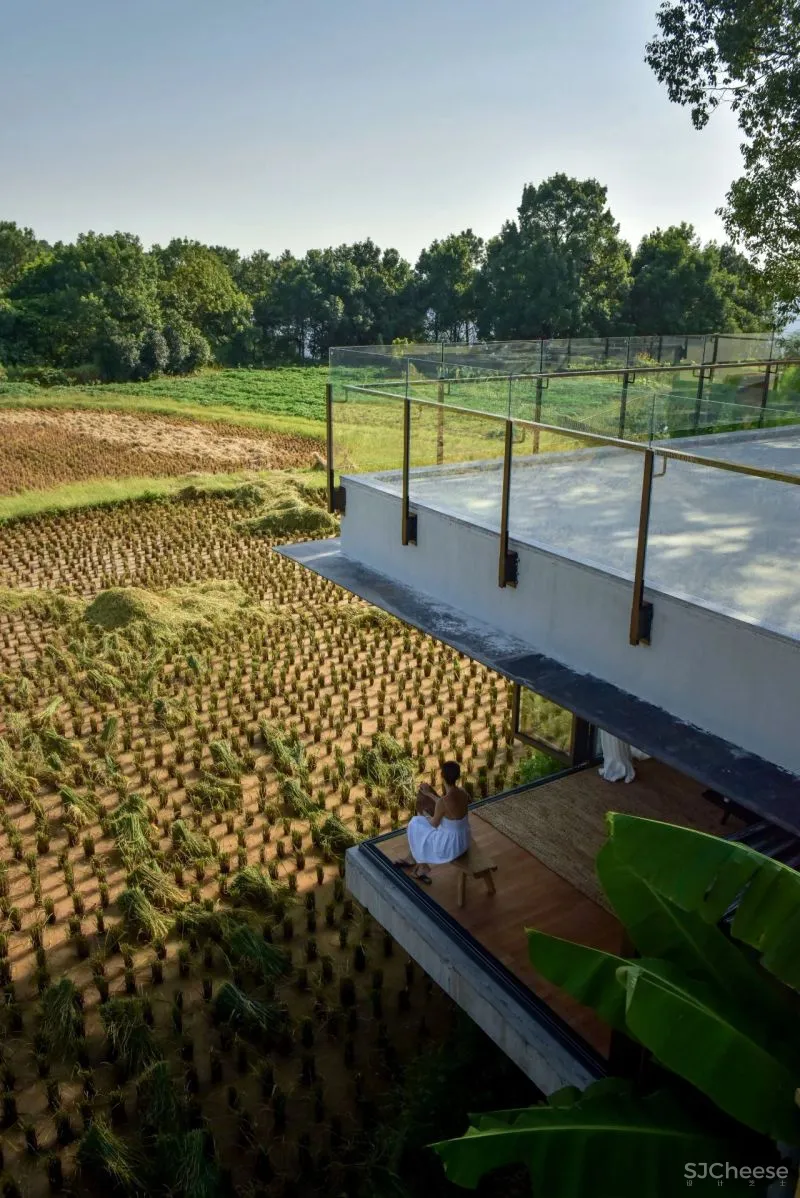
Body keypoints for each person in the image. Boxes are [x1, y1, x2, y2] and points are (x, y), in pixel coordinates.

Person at [395, 761, 470, 884]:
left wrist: (424, 816)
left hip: (451, 846)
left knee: (415, 824)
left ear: (442, 776)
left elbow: (434, 824)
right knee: (420, 824)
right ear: (458, 776)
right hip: (463, 840)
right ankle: (412, 859)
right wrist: (429, 794)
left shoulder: (443, 802)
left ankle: (422, 866)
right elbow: (447, 806)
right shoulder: (463, 793)